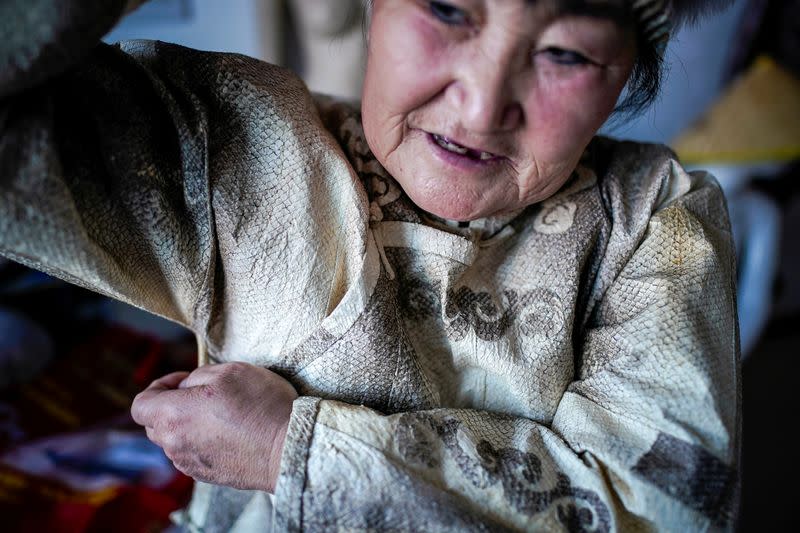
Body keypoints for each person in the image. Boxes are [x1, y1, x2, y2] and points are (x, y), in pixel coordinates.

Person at [0, 0, 740, 531]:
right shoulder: (246, 142)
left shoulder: (653, 216)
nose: (481, 107)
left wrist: (293, 449)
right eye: (447, 9)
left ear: (624, 77)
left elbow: (659, 510)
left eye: (567, 53)